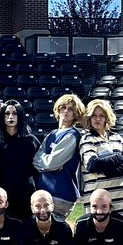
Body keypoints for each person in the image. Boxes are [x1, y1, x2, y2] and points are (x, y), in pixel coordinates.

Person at [79, 99, 123, 222]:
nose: (97, 119)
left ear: (107, 117)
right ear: (89, 118)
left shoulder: (118, 138)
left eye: (101, 115)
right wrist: (118, 157)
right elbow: (93, 164)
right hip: (98, 203)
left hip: (122, 201)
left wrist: (108, 169)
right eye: (94, 115)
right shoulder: (86, 139)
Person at [33, 93, 85, 223]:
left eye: (70, 109)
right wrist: (48, 162)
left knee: (55, 234)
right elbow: (36, 160)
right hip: (45, 190)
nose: (66, 111)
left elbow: (51, 163)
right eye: (63, 107)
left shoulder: (72, 135)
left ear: (76, 114)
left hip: (61, 194)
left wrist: (47, 162)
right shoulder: (52, 134)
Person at [0, 100, 38, 222]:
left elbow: (40, 167)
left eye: (14, 113)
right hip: (4, 194)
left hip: (26, 193)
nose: (10, 117)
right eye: (7, 113)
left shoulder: (31, 141)